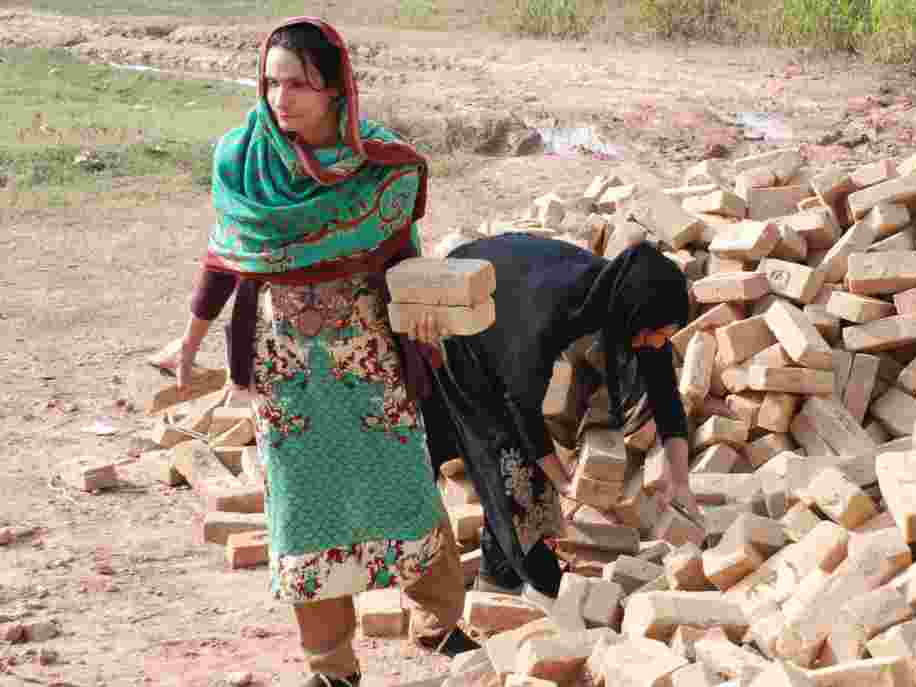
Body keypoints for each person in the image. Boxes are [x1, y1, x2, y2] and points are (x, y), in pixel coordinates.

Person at [172, 17, 476, 687]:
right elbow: (227, 259)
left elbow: (401, 252)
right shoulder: (244, 161)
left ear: (336, 88)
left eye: (300, 84)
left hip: (369, 357)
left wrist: (425, 324)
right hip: (288, 370)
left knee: (404, 490)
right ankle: (331, 665)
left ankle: (441, 620)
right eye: (272, 83)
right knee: (306, 512)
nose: (282, 99)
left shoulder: (378, 167)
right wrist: (191, 343)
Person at [411, 233, 702, 602]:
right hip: (466, 313)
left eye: (666, 336)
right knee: (509, 463)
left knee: (526, 470)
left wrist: (680, 482)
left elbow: (666, 397)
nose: (660, 343)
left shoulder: (628, 301)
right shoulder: (553, 315)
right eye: (657, 335)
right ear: (635, 317)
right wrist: (564, 483)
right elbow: (522, 410)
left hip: (513, 293)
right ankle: (534, 583)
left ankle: (497, 583)